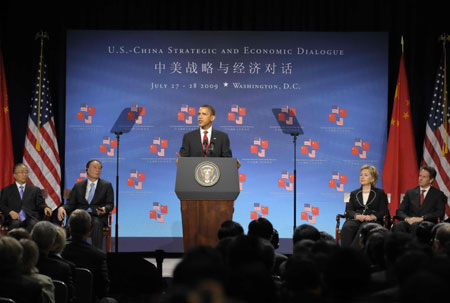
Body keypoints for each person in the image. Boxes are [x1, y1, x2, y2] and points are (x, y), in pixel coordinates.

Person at [57, 159, 114, 249]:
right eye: (95, 167)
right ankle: (70, 252)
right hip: (80, 214)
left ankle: (96, 253)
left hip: (97, 215)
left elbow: (110, 204)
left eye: (100, 168)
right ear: (87, 170)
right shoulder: (78, 186)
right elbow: (71, 204)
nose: (97, 170)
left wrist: (105, 209)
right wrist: (62, 208)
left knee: (96, 223)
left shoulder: (107, 185)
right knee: (73, 222)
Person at [62, 209, 112, 302]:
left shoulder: (59, 252)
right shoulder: (98, 256)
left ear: (69, 227)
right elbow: (103, 291)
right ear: (90, 229)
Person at [340, 165, 388, 247]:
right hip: (357, 219)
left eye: (366, 175)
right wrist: (356, 216)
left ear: (372, 179)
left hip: (372, 220)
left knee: (364, 228)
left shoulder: (380, 193)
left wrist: (373, 216)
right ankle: (345, 253)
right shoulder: (354, 193)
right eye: (361, 175)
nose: (362, 177)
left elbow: (383, 211)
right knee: (347, 227)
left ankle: (354, 254)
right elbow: (349, 211)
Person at [392, 166, 447, 234]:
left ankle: (413, 244)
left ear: (431, 180)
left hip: (426, 223)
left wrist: (422, 218)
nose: (420, 179)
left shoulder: (438, 194)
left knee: (416, 227)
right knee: (398, 226)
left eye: (424, 177)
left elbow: (440, 213)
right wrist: (407, 219)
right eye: (420, 176)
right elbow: (399, 211)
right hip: (410, 221)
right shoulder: (410, 192)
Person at [0, 163, 52, 232]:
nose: (24, 174)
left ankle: (31, 243)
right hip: (13, 219)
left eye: (26, 172)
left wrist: (46, 208)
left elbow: (40, 205)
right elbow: (2, 205)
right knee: (15, 224)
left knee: (33, 224)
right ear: (14, 175)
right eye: (21, 172)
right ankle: (14, 243)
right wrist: (10, 212)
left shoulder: (35, 190)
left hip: (31, 217)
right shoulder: (6, 190)